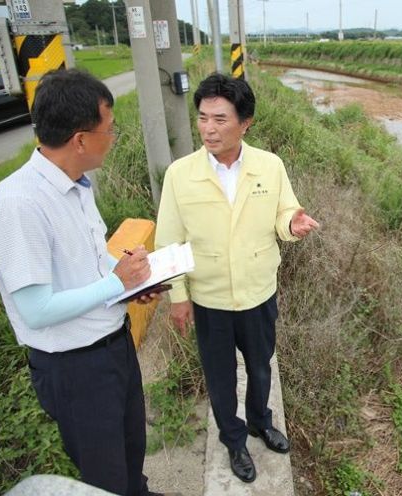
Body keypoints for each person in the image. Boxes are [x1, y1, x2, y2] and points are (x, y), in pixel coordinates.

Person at [0, 69, 165, 496]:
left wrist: (131, 284)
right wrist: (114, 284)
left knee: (130, 449)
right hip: (76, 369)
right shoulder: (19, 204)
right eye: (110, 129)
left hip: (113, 347)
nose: (114, 137)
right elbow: (36, 309)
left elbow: (89, 264)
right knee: (104, 475)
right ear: (80, 139)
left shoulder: (77, 184)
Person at [155, 73, 319, 483]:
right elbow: (169, 240)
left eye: (220, 119)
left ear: (245, 123)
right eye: (203, 118)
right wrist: (178, 295)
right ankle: (233, 439)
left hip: (259, 290)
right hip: (209, 298)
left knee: (261, 366)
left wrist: (292, 224)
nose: (209, 128)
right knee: (220, 376)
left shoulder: (270, 166)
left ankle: (261, 421)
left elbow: (285, 213)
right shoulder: (180, 174)